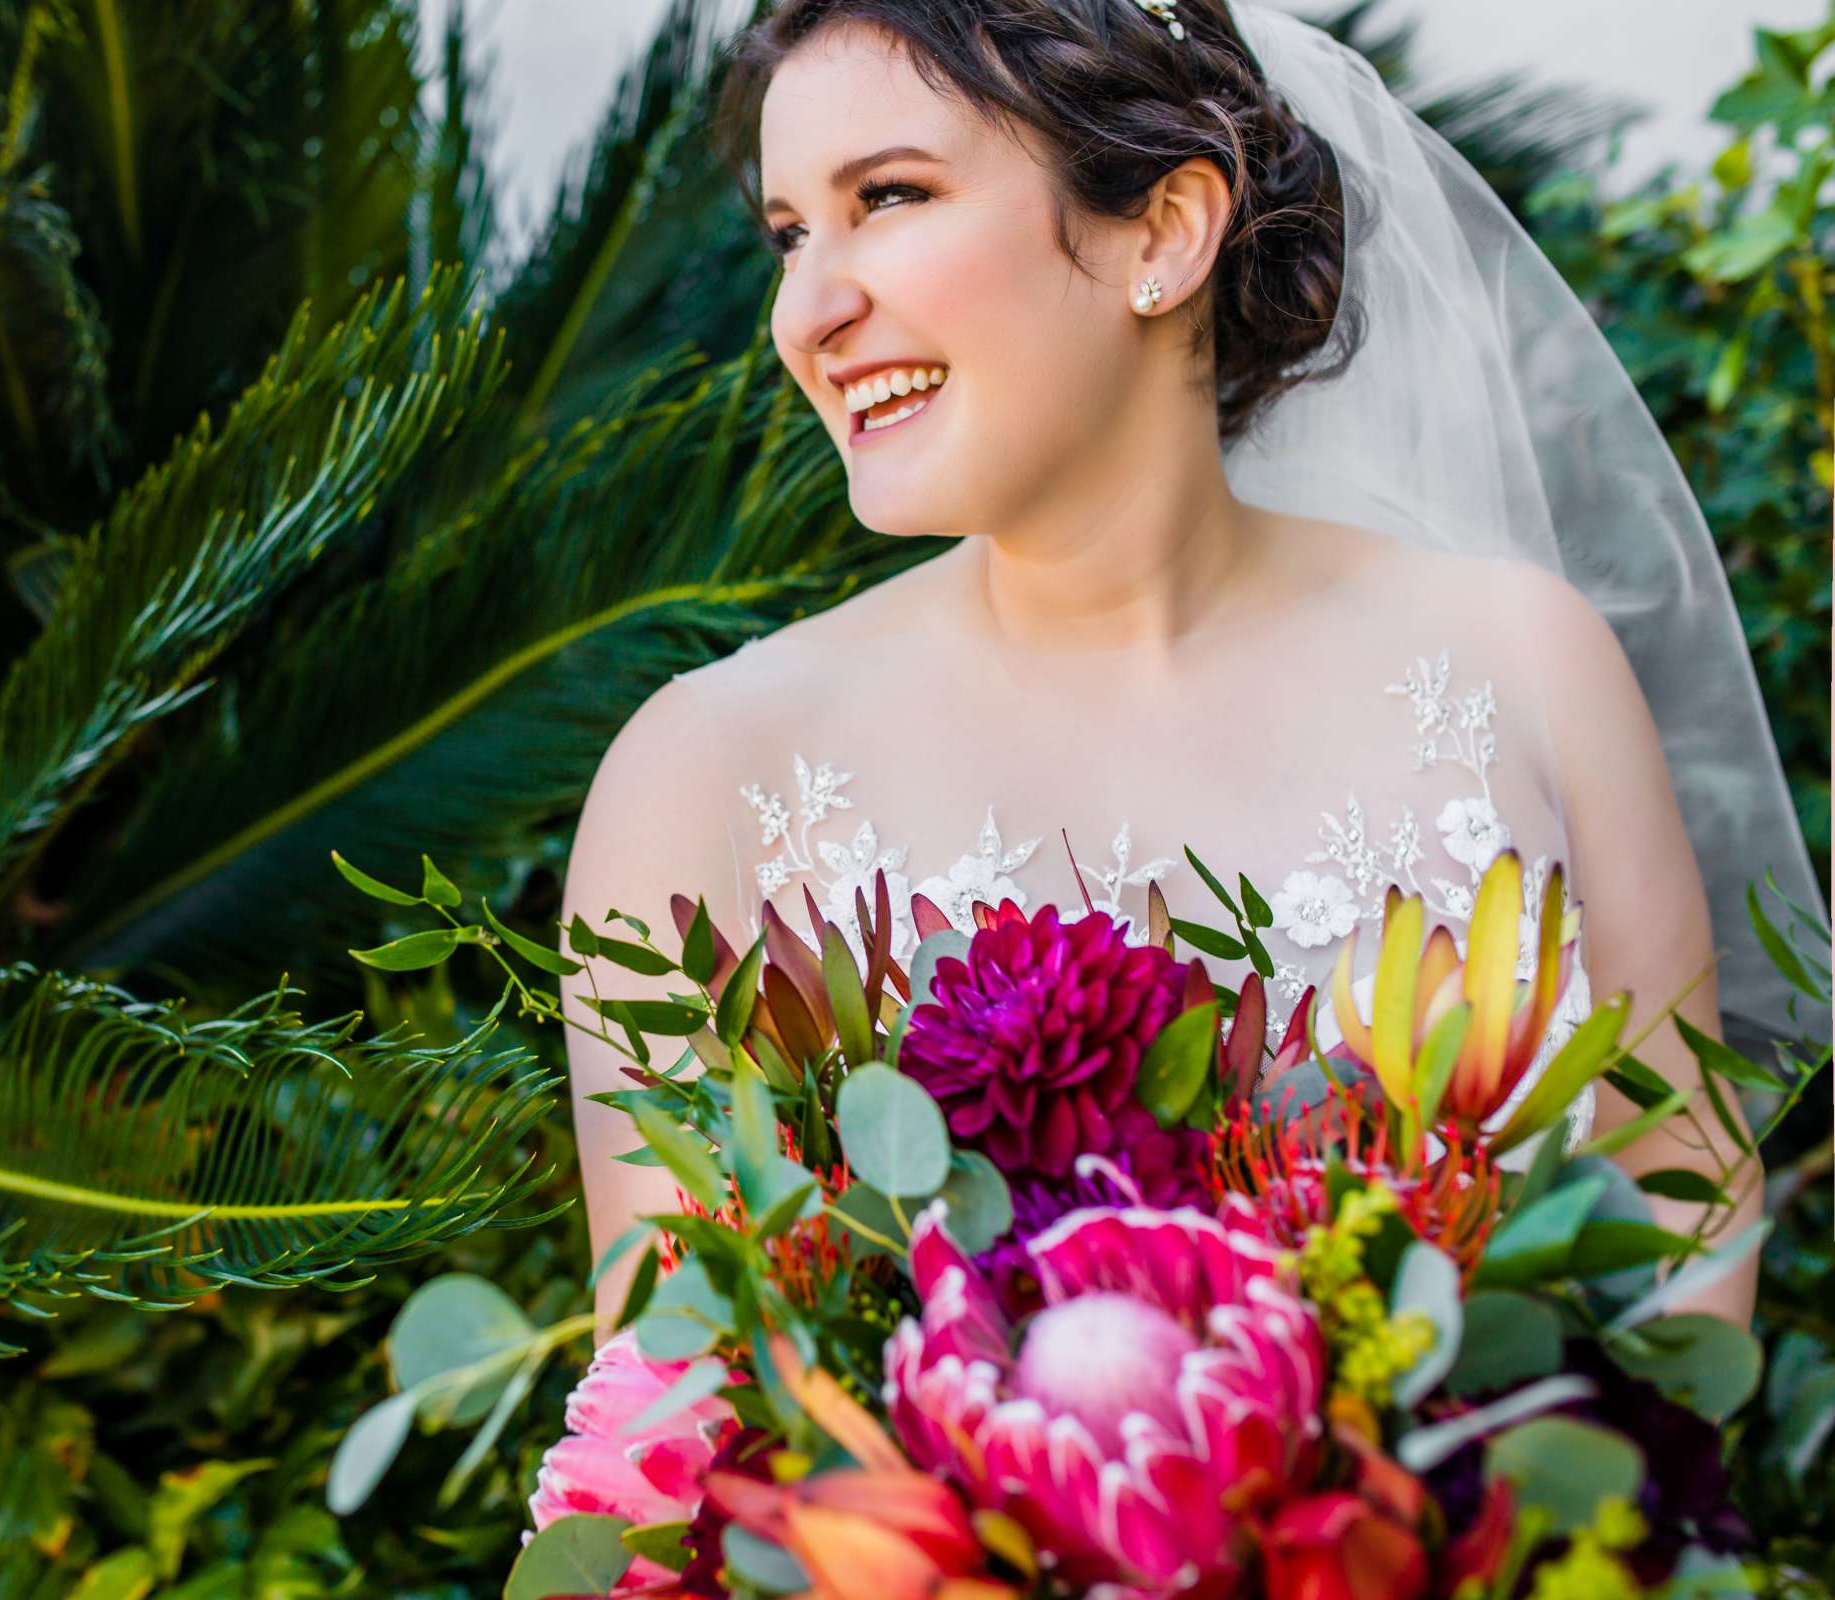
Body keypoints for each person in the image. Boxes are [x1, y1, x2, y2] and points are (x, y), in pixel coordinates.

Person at [558, 0, 1822, 1333]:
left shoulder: (1525, 663)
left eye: (889, 197)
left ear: (1161, 232)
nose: (807, 311)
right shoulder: (705, 779)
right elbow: (675, 1417)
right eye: (790, 234)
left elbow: (1682, 1252)